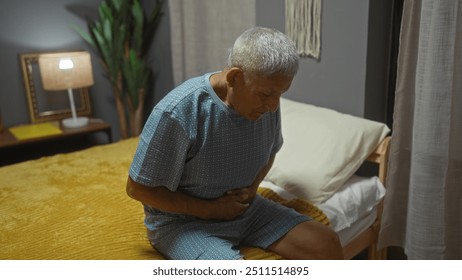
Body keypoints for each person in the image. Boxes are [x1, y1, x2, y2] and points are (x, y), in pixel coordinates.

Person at [126, 27, 343, 260]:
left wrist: (252, 188)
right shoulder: (178, 111)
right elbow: (137, 188)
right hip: (182, 223)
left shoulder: (267, 105)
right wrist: (212, 210)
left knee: (326, 243)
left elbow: (270, 150)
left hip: (245, 211)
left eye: (281, 93)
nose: (273, 105)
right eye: (266, 94)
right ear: (234, 77)